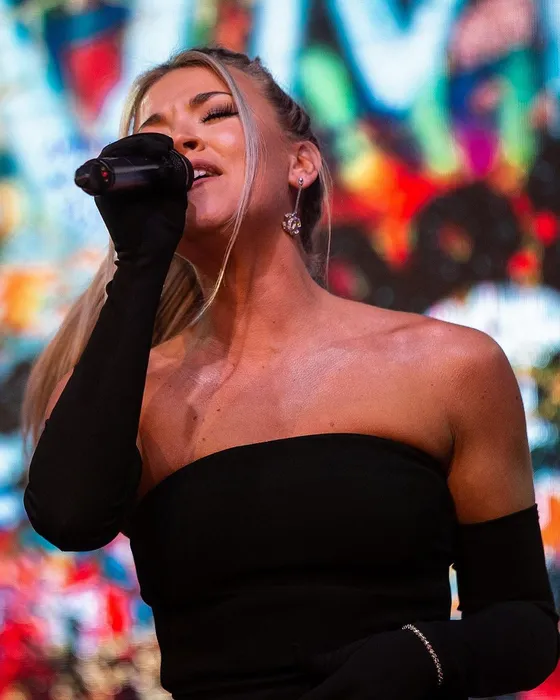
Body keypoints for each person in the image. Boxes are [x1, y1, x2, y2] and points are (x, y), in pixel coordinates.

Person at [21, 46, 559, 700]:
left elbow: (524, 624)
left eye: (215, 114)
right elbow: (70, 516)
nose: (180, 140)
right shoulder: (131, 390)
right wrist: (139, 263)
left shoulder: (449, 365)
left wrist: (418, 658)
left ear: (300, 163)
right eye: (155, 134)